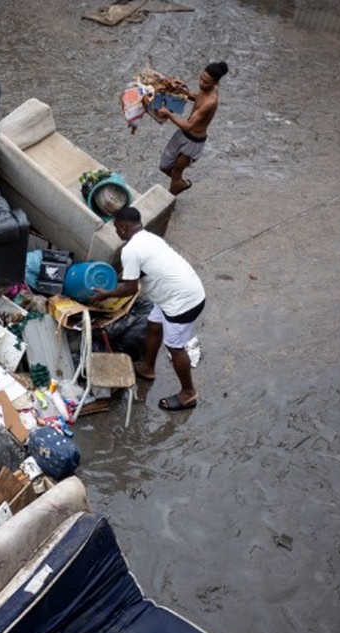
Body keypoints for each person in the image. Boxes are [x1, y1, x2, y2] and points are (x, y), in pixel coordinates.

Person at [92, 206, 205, 410]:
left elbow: (130, 288)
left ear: (125, 227)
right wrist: (113, 279)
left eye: (117, 227)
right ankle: (148, 368)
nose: (117, 232)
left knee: (175, 347)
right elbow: (137, 273)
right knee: (153, 325)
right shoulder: (149, 238)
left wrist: (106, 294)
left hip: (182, 303)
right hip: (178, 292)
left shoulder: (131, 250)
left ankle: (188, 393)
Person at [155, 61, 228, 195]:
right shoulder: (205, 88)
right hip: (182, 134)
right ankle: (179, 182)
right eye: (201, 78)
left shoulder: (210, 101)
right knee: (164, 166)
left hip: (193, 141)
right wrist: (182, 91)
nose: (201, 83)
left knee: (177, 170)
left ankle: (172, 194)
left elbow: (188, 125)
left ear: (215, 84)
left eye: (206, 82)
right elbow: (197, 97)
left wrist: (168, 114)